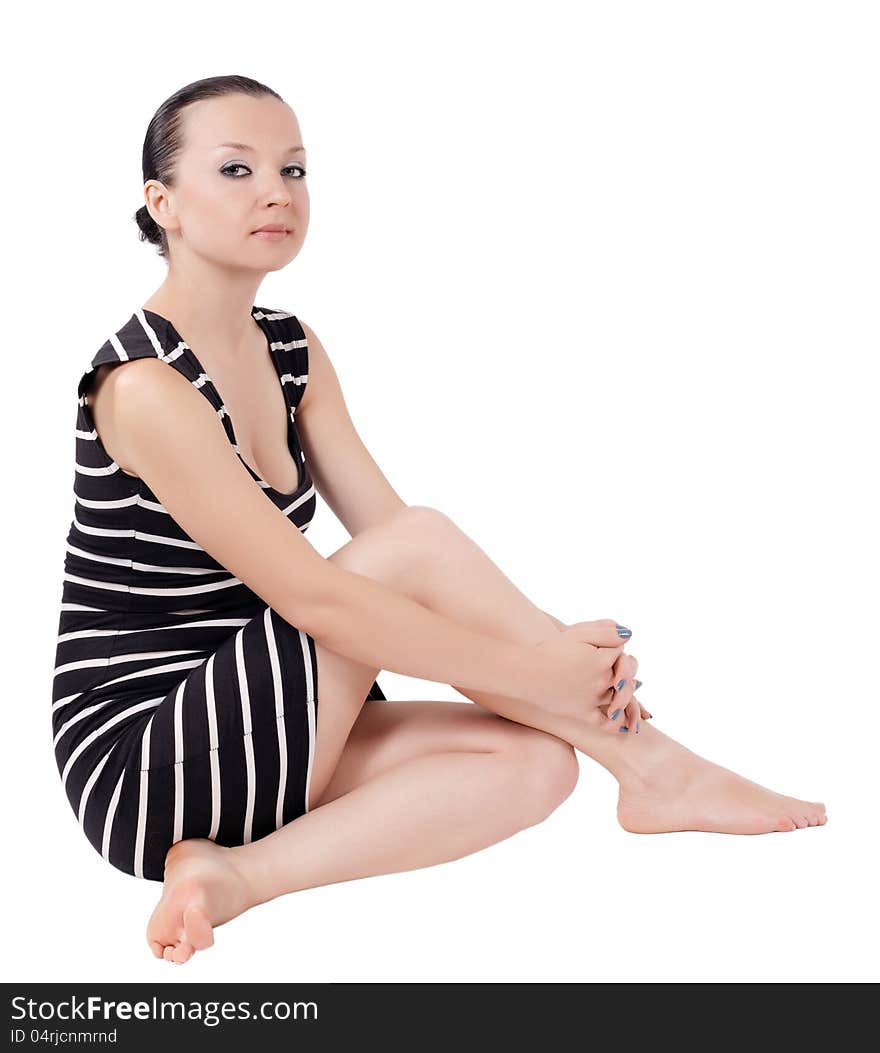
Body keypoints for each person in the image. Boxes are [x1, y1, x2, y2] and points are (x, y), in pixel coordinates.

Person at [51, 74, 827, 966]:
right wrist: (533, 669)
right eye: (235, 169)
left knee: (540, 765)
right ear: (164, 205)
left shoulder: (291, 347)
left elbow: (400, 551)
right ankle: (655, 765)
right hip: (144, 753)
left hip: (271, 714)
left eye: (295, 169)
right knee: (423, 548)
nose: (277, 192)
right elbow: (326, 599)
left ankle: (236, 876)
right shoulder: (144, 385)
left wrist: (556, 672)